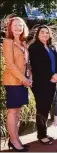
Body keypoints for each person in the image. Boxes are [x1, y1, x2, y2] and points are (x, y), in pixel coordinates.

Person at [2, 16, 30, 151]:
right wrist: (24, 79)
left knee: (17, 112)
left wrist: (29, 78)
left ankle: (16, 138)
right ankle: (13, 140)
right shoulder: (8, 42)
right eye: (15, 26)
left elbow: (26, 64)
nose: (18, 28)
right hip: (13, 82)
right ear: (10, 28)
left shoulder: (24, 43)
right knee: (12, 112)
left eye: (20, 25)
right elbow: (10, 65)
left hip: (22, 82)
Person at [29, 25, 57, 145]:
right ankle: (41, 135)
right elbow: (37, 66)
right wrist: (52, 75)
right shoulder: (34, 47)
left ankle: (44, 132)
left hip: (52, 82)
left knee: (46, 107)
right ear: (38, 34)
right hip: (40, 82)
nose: (45, 34)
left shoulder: (51, 47)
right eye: (42, 32)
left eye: (47, 32)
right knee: (42, 107)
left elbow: (55, 63)